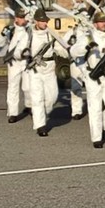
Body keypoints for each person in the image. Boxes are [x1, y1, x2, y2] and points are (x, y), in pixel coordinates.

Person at [70, 11, 105, 148]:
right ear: (95, 24)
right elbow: (73, 52)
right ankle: (97, 137)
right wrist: (86, 47)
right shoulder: (88, 37)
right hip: (93, 76)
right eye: (101, 22)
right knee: (95, 107)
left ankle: (103, 127)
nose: (104, 24)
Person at [25, 8, 67, 137]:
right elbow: (23, 48)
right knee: (37, 98)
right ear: (36, 21)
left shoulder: (50, 34)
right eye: (42, 21)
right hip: (36, 70)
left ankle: (42, 113)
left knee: (52, 97)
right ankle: (40, 126)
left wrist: (66, 51)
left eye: (45, 21)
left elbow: (61, 47)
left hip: (49, 69)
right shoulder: (30, 33)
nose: (45, 23)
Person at [0, 7, 31, 123]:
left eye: (24, 17)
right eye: (21, 17)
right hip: (13, 63)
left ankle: (29, 106)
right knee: (13, 87)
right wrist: (2, 34)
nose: (23, 20)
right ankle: (12, 113)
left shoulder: (30, 30)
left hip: (27, 62)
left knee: (28, 87)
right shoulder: (10, 30)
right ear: (16, 18)